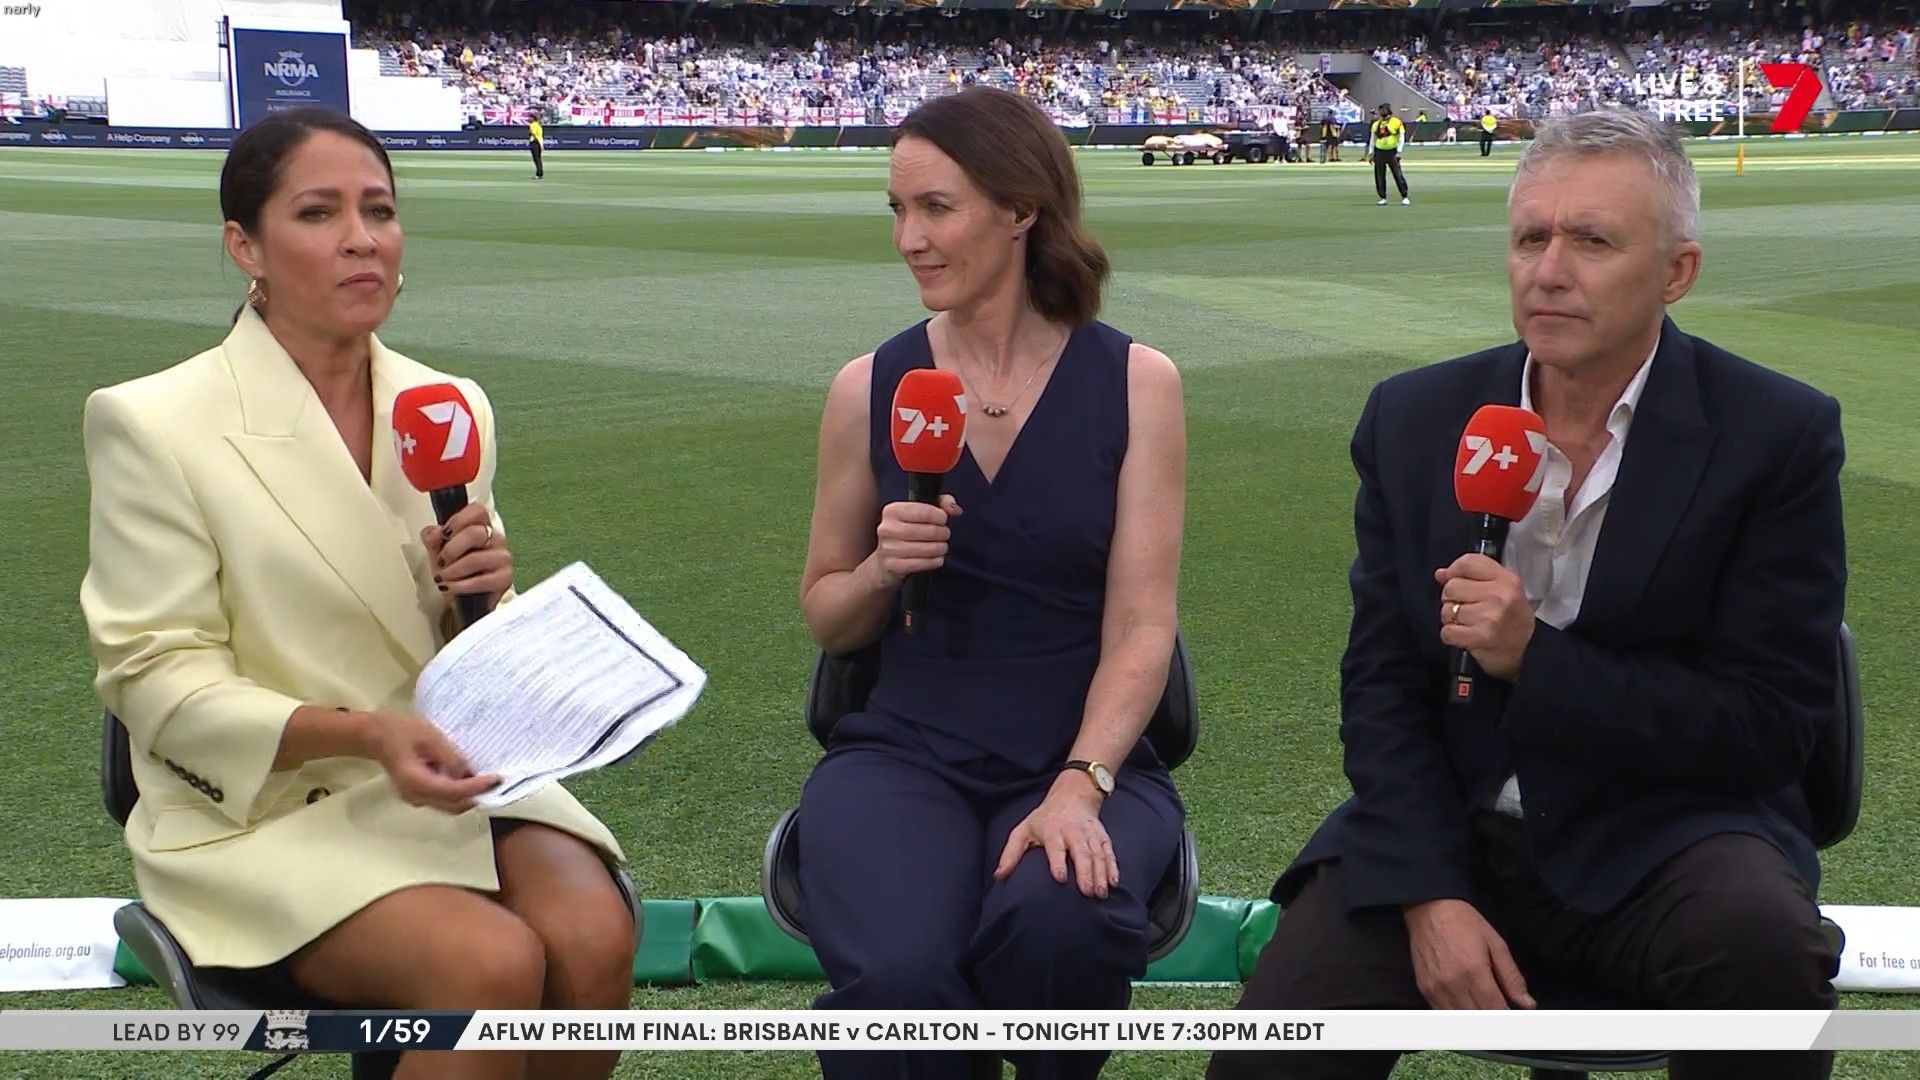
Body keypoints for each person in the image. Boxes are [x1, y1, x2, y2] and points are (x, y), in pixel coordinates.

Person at [1209, 107, 1844, 1080]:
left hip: (1669, 832)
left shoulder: (1773, 435)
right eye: (1529, 238)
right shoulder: (1415, 419)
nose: (1548, 271)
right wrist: (1429, 896)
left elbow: (1767, 726)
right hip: (1448, 827)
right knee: (1273, 1053)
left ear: (1676, 272)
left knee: (1767, 959)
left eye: (1592, 241)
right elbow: (1382, 688)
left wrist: (1534, 660)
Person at [79, 107, 634, 1080]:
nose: (361, 238)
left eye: (379, 210)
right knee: (487, 965)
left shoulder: (448, 405)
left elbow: (464, 648)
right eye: (317, 213)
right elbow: (152, 677)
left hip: (448, 780)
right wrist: (369, 735)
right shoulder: (153, 423)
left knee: (594, 936)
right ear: (245, 247)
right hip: (270, 807)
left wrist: (481, 601)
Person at [796, 85, 1187, 1080]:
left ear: (1020, 209)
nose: (909, 239)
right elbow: (828, 617)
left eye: (937, 208)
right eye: (897, 209)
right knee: (898, 978)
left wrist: (1080, 786)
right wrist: (881, 568)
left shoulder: (1139, 382)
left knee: (1058, 922)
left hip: (1082, 756)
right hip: (902, 755)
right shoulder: (865, 388)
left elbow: (1143, 627)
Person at [1368, 103, 1410, 205]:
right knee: (1379, 176)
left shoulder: (1396, 122)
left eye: (1384, 109)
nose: (1382, 112)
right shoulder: (1376, 124)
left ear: (1388, 110)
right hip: (1379, 152)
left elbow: (1401, 137)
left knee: (1398, 175)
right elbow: (1372, 139)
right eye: (1381, 110)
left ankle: (1404, 196)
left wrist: (1399, 151)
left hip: (1392, 152)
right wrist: (1371, 153)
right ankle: (1382, 197)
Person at [528, 113, 545, 179]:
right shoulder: (538, 125)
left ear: (533, 118)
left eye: (530, 117)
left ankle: (538, 174)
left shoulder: (533, 125)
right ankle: (540, 173)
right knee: (538, 158)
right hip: (538, 142)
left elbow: (534, 134)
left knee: (536, 159)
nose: (529, 119)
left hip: (535, 142)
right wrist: (541, 144)